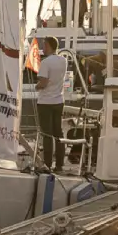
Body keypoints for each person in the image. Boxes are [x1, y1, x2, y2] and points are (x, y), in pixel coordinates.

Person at [34, 37, 68, 170]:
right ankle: (59, 164)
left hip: (45, 102)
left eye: (44, 45)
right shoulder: (63, 61)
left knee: (47, 134)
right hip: (59, 100)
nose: (43, 48)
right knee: (58, 133)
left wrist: (36, 86)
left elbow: (43, 82)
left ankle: (47, 164)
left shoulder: (45, 62)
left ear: (48, 46)